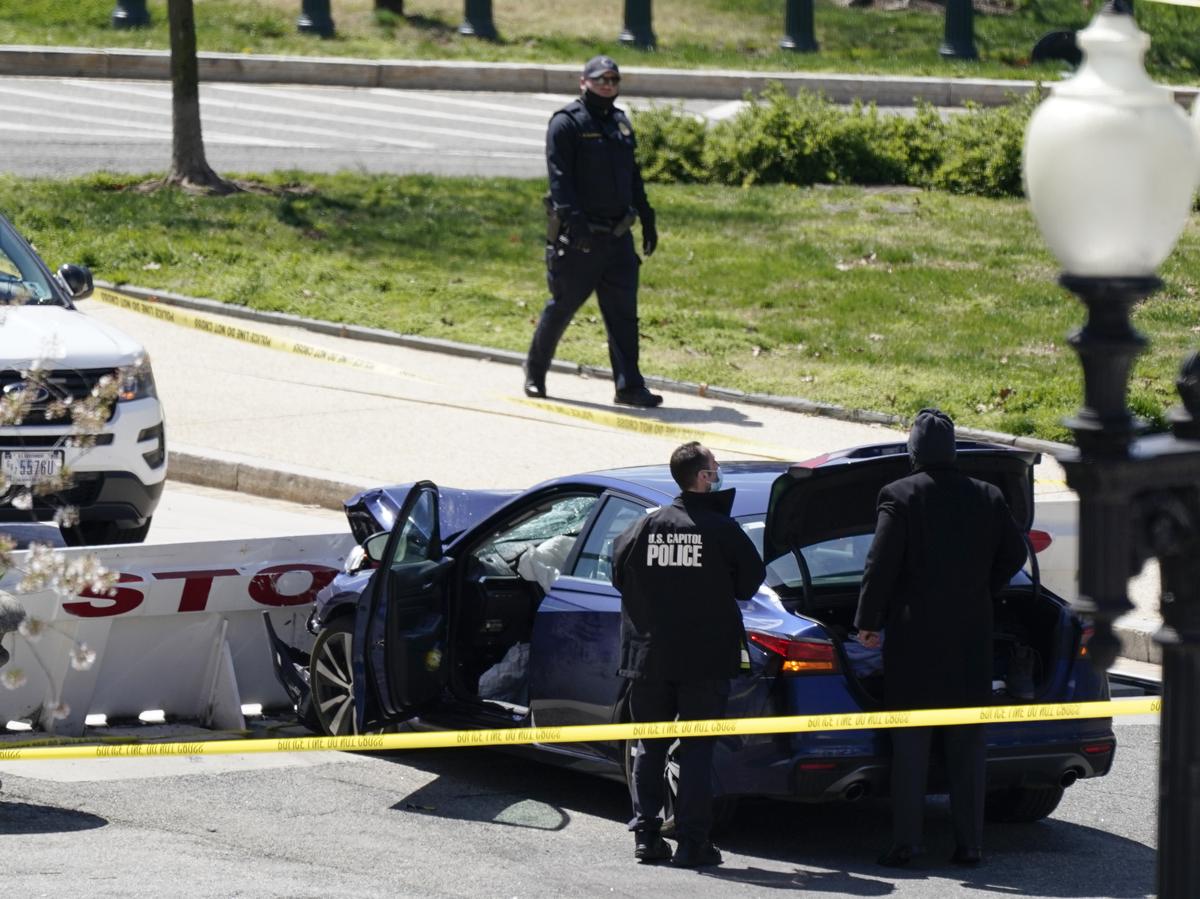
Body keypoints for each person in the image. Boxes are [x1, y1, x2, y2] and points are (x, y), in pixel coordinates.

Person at [854, 409, 1028, 868]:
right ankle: (970, 844)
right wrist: (985, 591)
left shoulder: (899, 495)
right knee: (968, 747)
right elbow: (1014, 552)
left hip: (915, 640)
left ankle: (907, 843)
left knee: (910, 747)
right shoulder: (988, 495)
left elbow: (880, 564)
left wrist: (868, 620)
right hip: (971, 638)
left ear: (913, 452)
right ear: (953, 451)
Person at [611, 442, 766, 867]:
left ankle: (646, 837)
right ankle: (693, 843)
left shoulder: (645, 526)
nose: (718, 472)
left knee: (650, 746)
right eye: (715, 466)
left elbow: (616, 572)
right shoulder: (720, 530)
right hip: (704, 661)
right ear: (703, 477)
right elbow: (750, 583)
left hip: (649, 659)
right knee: (697, 751)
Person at [523, 54, 663, 409]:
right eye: (600, 79)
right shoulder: (566, 124)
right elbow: (560, 182)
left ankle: (629, 386)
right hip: (580, 241)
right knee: (561, 308)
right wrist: (576, 225)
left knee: (623, 316)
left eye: (613, 80)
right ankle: (535, 373)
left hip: (617, 239)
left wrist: (647, 217)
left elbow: (632, 177)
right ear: (583, 82)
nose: (607, 85)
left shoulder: (619, 122)